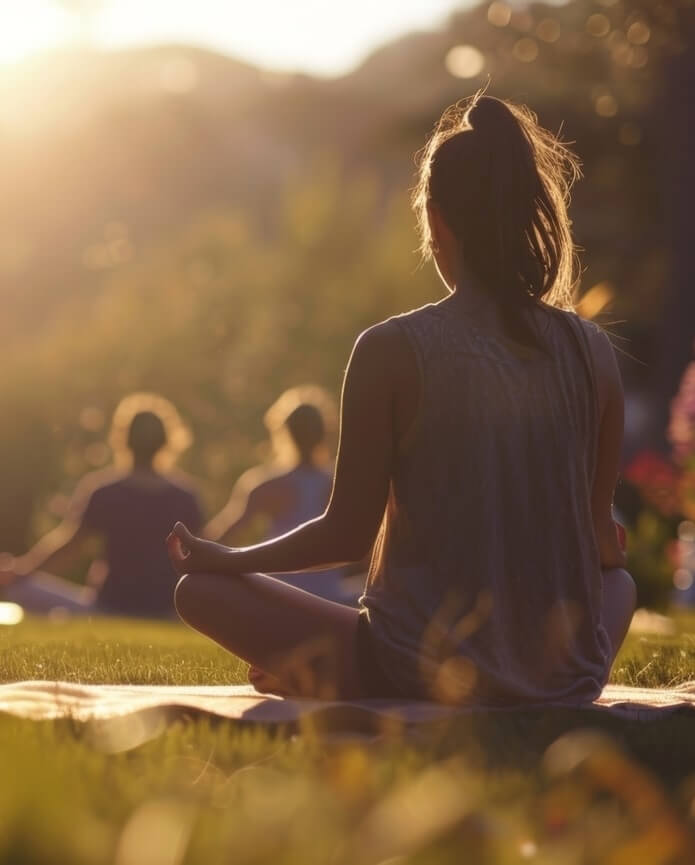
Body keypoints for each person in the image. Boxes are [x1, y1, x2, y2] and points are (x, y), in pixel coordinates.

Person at [167, 92, 636, 703]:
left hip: (418, 670)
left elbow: (346, 535)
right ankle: (344, 671)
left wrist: (230, 559)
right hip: (561, 669)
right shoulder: (592, 352)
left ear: (436, 222)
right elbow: (604, 546)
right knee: (621, 584)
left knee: (198, 592)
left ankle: (331, 674)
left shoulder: (393, 348)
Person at [1, 393, 203, 619]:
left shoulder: (106, 491)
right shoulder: (185, 495)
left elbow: (71, 547)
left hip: (107, 607)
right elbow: (201, 555)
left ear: (123, 439)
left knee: (19, 587)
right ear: (167, 442)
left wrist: (22, 571)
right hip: (168, 610)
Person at [205, 386, 359, 606]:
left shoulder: (265, 484)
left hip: (277, 593)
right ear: (325, 433)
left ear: (283, 431)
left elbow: (222, 538)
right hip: (329, 597)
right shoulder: (340, 484)